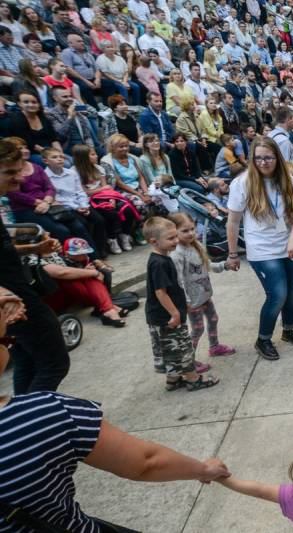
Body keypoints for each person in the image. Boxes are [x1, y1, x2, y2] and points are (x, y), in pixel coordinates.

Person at [0, 302, 232, 532]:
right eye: (6, 340)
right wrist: (204, 469)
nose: (10, 348)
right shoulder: (43, 413)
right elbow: (145, 462)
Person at [225, 137, 293, 361]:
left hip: (289, 246)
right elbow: (233, 221)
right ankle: (263, 339)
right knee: (277, 295)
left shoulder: (287, 179)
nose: (263, 162)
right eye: (258, 158)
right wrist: (232, 254)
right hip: (262, 249)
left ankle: (288, 330)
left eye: (268, 157)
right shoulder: (242, 183)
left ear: (277, 158)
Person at [0, 138, 70, 395]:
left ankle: (21, 413)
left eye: (19, 171)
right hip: (13, 300)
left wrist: (34, 249)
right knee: (54, 363)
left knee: (28, 361)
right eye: (10, 172)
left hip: (15, 295)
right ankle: (34, 416)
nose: (18, 179)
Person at [144, 216, 218, 390]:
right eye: (171, 238)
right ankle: (193, 380)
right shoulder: (159, 263)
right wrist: (175, 313)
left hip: (163, 316)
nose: (176, 241)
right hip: (167, 316)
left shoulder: (162, 258)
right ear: (154, 241)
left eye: (175, 236)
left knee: (171, 348)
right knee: (183, 348)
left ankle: (173, 380)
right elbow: (160, 292)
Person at [169, 213, 236, 357]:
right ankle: (189, 360)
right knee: (197, 329)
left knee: (213, 319)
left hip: (204, 295)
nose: (190, 233)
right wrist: (186, 301)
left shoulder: (196, 246)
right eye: (185, 231)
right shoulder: (176, 254)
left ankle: (214, 347)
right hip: (192, 302)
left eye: (192, 229)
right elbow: (178, 281)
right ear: (174, 232)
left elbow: (207, 265)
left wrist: (224, 265)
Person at [73, 143, 137, 254]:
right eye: (92, 154)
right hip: (90, 200)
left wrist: (111, 199)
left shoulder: (99, 168)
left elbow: (106, 187)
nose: (96, 156)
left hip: (106, 196)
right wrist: (102, 189)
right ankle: (112, 239)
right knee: (110, 213)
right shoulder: (75, 172)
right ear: (83, 157)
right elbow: (85, 192)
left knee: (128, 210)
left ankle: (124, 236)